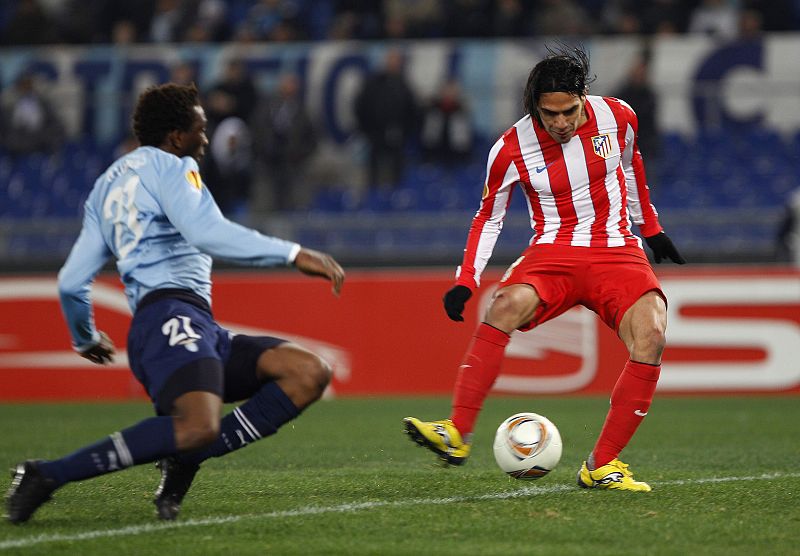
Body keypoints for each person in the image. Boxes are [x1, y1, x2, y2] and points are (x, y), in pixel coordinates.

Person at [5, 83, 345, 524]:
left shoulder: (103, 189)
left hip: (187, 324)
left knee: (308, 372)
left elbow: (71, 282)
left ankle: (182, 456)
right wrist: (293, 254)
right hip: (170, 318)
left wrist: (83, 336)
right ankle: (46, 474)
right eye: (200, 130)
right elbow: (208, 233)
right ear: (174, 136)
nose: (205, 139)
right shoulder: (173, 167)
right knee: (197, 426)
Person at [404, 45, 685, 492]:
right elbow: (488, 216)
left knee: (652, 334)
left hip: (616, 249)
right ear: (534, 106)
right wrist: (465, 280)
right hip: (553, 250)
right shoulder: (510, 147)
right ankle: (456, 433)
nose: (559, 123)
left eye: (568, 111)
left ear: (583, 97)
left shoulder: (620, 117)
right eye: (548, 114)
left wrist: (650, 228)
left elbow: (631, 165)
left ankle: (602, 464)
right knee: (504, 304)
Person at [354, 47, 418, 189]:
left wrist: (405, 131)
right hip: (376, 134)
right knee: (374, 171)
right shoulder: (374, 84)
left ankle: (396, 200)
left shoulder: (403, 85)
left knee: (397, 171)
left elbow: (412, 111)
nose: (394, 64)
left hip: (397, 136)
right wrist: (368, 131)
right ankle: (375, 199)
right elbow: (362, 107)